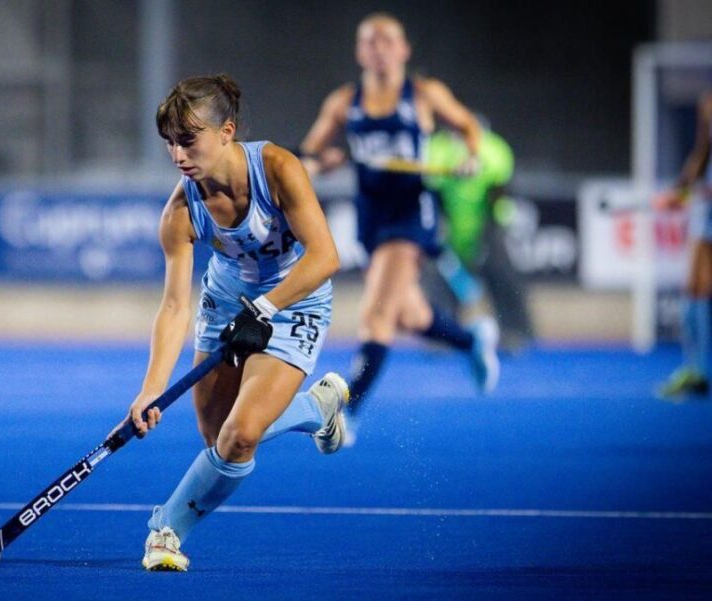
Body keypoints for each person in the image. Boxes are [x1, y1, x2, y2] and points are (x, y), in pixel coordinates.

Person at [124, 74, 349, 572]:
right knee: (218, 441)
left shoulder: (276, 169)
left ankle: (166, 530)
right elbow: (174, 307)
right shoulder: (181, 213)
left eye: (189, 139)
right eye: (170, 143)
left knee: (240, 436)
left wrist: (265, 309)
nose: (179, 155)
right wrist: (150, 391)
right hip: (226, 304)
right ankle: (316, 407)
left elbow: (325, 257)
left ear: (227, 132)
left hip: (296, 300)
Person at [299, 13, 500, 420]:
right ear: (360, 52)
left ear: (404, 49)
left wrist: (470, 157)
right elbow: (308, 157)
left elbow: (466, 126)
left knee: (376, 314)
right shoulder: (343, 103)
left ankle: (346, 410)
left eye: (388, 41)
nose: (380, 49)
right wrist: (325, 162)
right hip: (371, 217)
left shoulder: (424, 94)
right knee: (411, 315)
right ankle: (471, 341)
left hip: (411, 215)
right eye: (370, 42)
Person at [423, 124, 534, 351]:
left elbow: (499, 193)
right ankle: (444, 334)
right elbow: (433, 193)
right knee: (439, 279)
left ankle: (514, 332)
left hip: (488, 226)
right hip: (450, 229)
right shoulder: (436, 149)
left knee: (502, 274)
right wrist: (440, 227)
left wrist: (488, 234)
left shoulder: (494, 149)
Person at [656, 91, 712, 400]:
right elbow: (703, 152)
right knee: (694, 288)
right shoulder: (709, 103)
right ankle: (699, 372)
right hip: (709, 213)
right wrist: (680, 191)